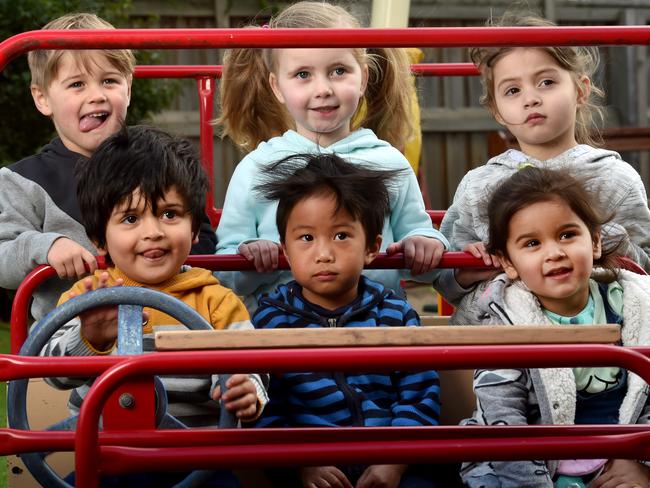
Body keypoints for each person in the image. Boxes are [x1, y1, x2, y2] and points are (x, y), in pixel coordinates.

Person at [41, 126, 267, 486]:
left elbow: (249, 369)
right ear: (100, 237)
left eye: (170, 214)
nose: (153, 232)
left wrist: (246, 389)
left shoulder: (216, 300)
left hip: (198, 465)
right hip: (109, 460)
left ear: (195, 229)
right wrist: (89, 338)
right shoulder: (87, 297)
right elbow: (53, 373)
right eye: (131, 219)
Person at [215, 0, 448, 311]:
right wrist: (249, 256)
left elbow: (422, 249)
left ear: (363, 78)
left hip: (376, 327)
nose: (323, 88)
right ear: (277, 87)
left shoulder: (388, 161)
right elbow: (224, 273)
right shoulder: (257, 168)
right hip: (283, 334)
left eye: (338, 71)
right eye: (302, 74)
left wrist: (426, 245)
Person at [0, 12, 216, 322]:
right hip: (72, 343)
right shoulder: (22, 181)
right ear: (43, 98)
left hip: (166, 328)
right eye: (77, 84)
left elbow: (203, 239)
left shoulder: (160, 163)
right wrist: (46, 245)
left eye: (109, 81)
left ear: (128, 88)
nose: (96, 95)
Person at [452, 166, 650, 488]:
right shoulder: (505, 322)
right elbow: (503, 416)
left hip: (623, 458)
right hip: (529, 462)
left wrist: (642, 465)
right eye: (532, 243)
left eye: (567, 235)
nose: (555, 253)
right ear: (508, 263)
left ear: (595, 242)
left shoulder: (637, 304)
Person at [252, 153, 441, 488]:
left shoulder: (395, 314)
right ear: (285, 249)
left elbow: (419, 395)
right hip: (307, 470)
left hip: (393, 465)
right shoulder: (271, 319)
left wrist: (393, 462)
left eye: (340, 236)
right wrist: (301, 464)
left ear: (371, 246)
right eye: (306, 238)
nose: (324, 253)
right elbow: (265, 406)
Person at [434, 12, 650, 302]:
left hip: (600, 328)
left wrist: (611, 240)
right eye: (512, 90)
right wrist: (466, 270)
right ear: (497, 110)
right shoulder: (479, 186)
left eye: (546, 82)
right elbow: (446, 282)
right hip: (505, 328)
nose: (530, 98)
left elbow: (644, 273)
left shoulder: (614, 179)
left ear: (580, 90)